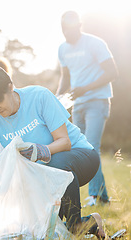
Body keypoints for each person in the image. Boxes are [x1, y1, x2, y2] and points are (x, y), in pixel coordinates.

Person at [0, 67, 105, 238]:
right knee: (42, 231)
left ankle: (75, 224)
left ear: (10, 87)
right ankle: (88, 223)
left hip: (80, 158)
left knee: (55, 164)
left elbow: (64, 142)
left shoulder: (39, 96)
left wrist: (40, 150)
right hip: (40, 176)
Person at [56, 11, 118, 206]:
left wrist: (85, 88)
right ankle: (102, 197)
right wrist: (56, 99)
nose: (68, 34)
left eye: (71, 30)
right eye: (64, 31)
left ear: (79, 26)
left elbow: (112, 72)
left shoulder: (95, 43)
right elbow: (65, 76)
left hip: (97, 101)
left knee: (91, 147)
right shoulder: (62, 49)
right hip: (78, 105)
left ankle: (96, 196)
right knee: (80, 149)